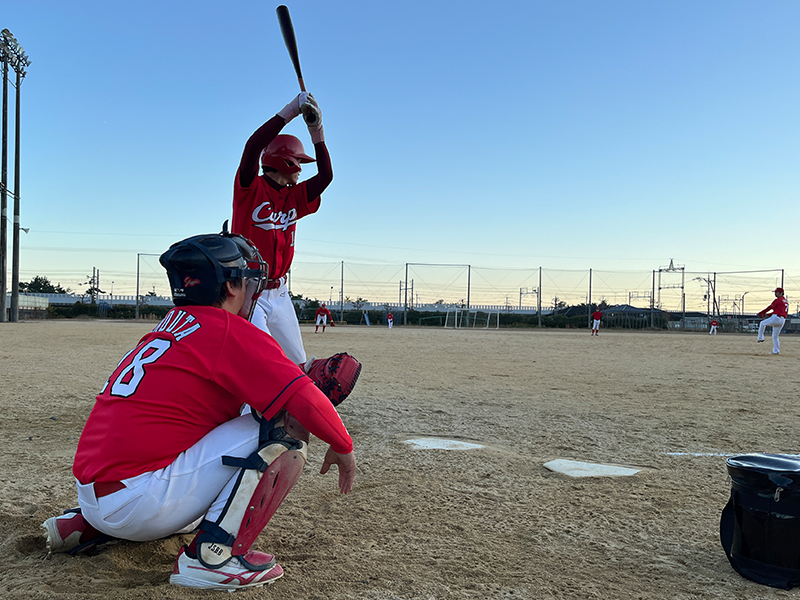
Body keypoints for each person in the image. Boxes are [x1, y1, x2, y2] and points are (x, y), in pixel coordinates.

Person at [41, 231, 356, 591]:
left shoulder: (165, 328)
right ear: (232, 286)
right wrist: (344, 448)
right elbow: (303, 401)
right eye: (249, 282)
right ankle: (212, 558)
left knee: (208, 429)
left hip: (97, 494)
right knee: (287, 427)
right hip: (138, 503)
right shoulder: (224, 328)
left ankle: (85, 526)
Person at [231, 91, 330, 364]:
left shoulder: (293, 196)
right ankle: (246, 409)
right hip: (250, 288)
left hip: (281, 291)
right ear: (287, 161)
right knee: (260, 361)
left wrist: (316, 131)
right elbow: (253, 146)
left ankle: (290, 407)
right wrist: (290, 111)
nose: (301, 170)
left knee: (297, 362)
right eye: (299, 163)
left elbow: (326, 176)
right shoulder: (249, 189)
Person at [757, 287, 789, 355]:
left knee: (762, 323)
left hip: (776, 318)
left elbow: (770, 307)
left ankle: (760, 338)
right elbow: (778, 311)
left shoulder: (778, 300)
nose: (775, 294)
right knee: (775, 336)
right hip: (782, 320)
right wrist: (767, 315)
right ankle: (776, 351)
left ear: (781, 293)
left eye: (776, 292)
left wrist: (761, 313)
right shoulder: (786, 302)